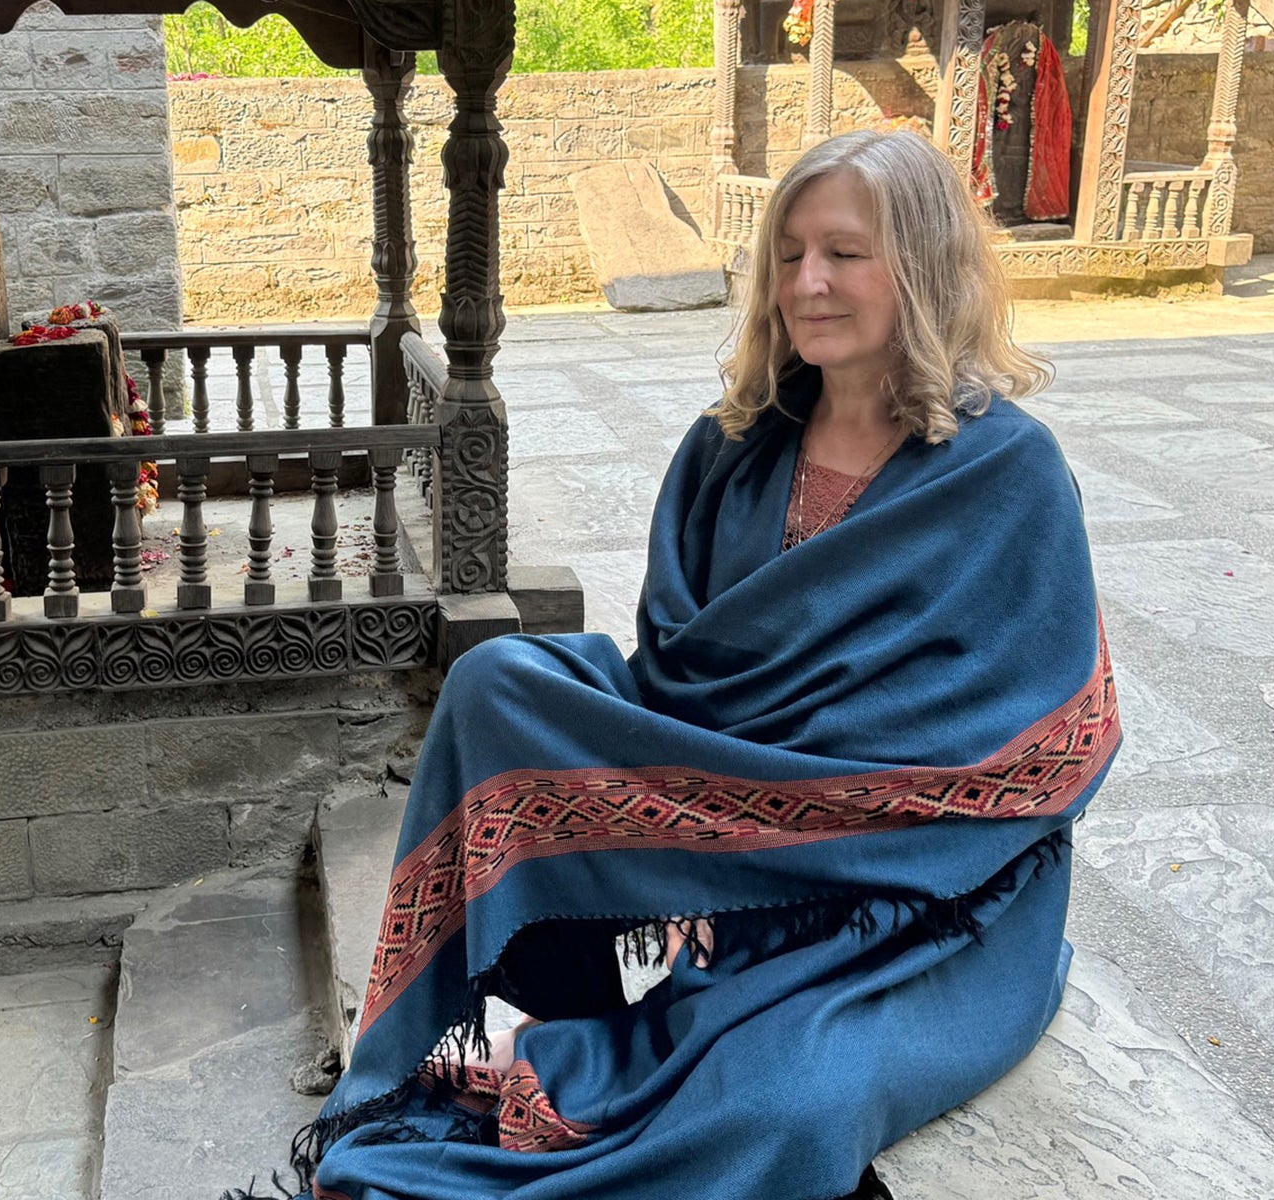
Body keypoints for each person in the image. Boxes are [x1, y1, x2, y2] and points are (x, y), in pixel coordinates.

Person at [241, 128, 1120, 1200]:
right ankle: (586, 966)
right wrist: (721, 801)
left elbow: (1040, 756)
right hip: (706, 821)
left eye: (844, 253)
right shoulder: (732, 444)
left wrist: (802, 814)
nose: (807, 282)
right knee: (497, 682)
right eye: (788, 253)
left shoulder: (1004, 475)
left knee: (786, 1107)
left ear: (923, 266)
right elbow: (676, 673)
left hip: (897, 891)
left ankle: (664, 980)